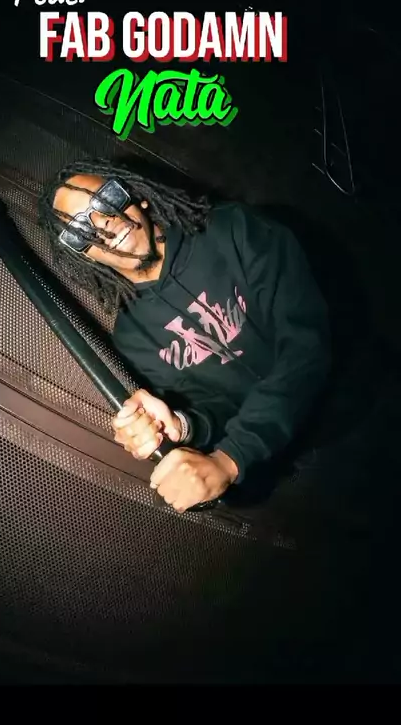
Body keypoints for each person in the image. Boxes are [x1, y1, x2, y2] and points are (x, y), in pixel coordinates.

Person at [38, 154, 331, 513]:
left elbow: (306, 342)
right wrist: (180, 425)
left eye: (106, 199)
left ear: (136, 196)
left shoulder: (233, 229)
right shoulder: (132, 339)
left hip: (364, 404)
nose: (103, 222)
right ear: (85, 255)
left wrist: (231, 459)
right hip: (296, 468)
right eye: (80, 229)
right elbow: (216, 410)